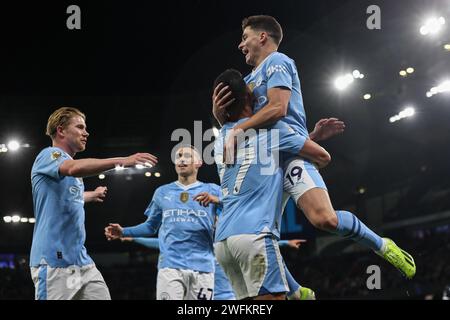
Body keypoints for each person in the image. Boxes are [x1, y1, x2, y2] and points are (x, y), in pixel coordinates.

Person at [212, 15, 415, 279]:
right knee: (259, 231)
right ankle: (298, 293)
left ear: (262, 36)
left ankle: (382, 245)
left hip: (291, 156)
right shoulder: (248, 78)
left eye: (245, 37)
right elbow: (252, 121)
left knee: (324, 219)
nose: (241, 45)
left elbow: (277, 108)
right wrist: (220, 117)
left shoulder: (277, 61)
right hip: (266, 157)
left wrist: (239, 129)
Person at [211, 69, 331, 300]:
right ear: (248, 98)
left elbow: (258, 152)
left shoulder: (221, 139)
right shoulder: (271, 129)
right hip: (254, 235)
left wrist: (220, 116)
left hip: (224, 243)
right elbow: (323, 157)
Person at [30, 106, 157, 300]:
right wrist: (123, 160)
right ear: (61, 130)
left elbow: (69, 198)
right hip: (53, 261)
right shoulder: (49, 155)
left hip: (82, 262)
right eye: (80, 127)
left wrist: (91, 195)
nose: (86, 132)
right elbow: (73, 168)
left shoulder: (68, 171)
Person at [104, 146, 221, 300]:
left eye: (187, 156)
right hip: (170, 266)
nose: (182, 159)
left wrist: (218, 201)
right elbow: (150, 226)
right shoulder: (162, 192)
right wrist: (123, 231)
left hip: (203, 267)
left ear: (199, 162)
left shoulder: (212, 190)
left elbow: (236, 208)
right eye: (178, 156)